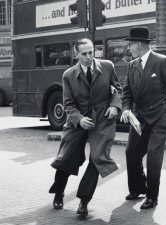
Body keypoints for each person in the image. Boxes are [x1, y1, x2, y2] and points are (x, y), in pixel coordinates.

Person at [49, 38, 122, 216]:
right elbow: (67, 104)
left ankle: (84, 200)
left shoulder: (107, 66)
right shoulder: (68, 75)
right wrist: (79, 119)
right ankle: (59, 192)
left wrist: (114, 105)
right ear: (76, 55)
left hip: (102, 119)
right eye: (84, 54)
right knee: (66, 157)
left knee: (97, 158)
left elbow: (118, 88)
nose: (89, 57)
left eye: (91, 52)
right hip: (78, 120)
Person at [120, 26, 166, 209]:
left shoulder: (161, 62)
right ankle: (138, 188)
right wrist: (125, 108)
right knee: (131, 152)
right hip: (139, 118)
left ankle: (152, 197)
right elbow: (127, 93)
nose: (128, 49)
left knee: (153, 158)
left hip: (159, 118)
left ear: (138, 45)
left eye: (130, 45)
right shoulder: (131, 65)